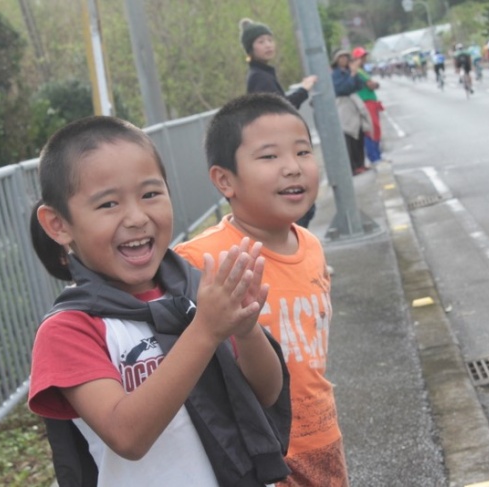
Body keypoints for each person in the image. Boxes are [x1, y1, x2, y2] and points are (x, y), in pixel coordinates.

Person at [27, 115, 291, 486]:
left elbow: (267, 392)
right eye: (108, 205)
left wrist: (247, 332)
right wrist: (205, 331)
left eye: (151, 194)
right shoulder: (69, 330)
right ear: (58, 224)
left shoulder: (196, 288)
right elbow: (128, 436)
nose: (137, 217)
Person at [174, 93, 349, 487]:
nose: (293, 168)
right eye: (269, 157)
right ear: (225, 180)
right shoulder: (199, 261)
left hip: (322, 438)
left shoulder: (311, 245)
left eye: (303, 152)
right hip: (255, 453)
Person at [239, 17, 318, 229]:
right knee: (299, 207)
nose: (267, 45)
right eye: (261, 42)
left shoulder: (262, 73)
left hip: (276, 148)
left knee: (298, 205)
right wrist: (304, 89)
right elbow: (280, 109)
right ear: (250, 48)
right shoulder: (259, 77)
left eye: (269, 40)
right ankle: (292, 256)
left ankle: (294, 254)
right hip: (275, 149)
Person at [331, 48, 371, 176]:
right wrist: (352, 76)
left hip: (354, 104)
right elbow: (342, 88)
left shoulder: (349, 71)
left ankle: (361, 163)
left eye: (346, 57)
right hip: (344, 105)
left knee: (359, 134)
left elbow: (359, 85)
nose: (344, 60)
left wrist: (354, 73)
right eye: (341, 57)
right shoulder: (335, 74)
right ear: (336, 60)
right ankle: (353, 166)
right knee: (349, 135)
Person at [352, 46, 385, 165]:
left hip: (370, 102)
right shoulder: (358, 71)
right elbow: (371, 85)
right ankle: (374, 156)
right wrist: (375, 84)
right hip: (366, 103)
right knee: (371, 129)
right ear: (356, 59)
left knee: (374, 128)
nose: (364, 59)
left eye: (365, 56)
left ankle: (377, 154)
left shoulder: (362, 70)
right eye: (362, 57)